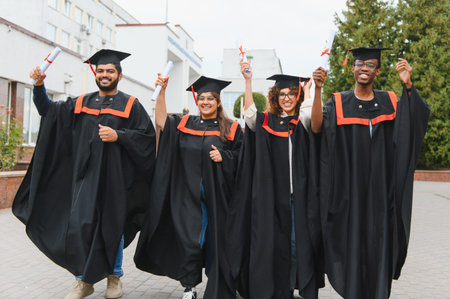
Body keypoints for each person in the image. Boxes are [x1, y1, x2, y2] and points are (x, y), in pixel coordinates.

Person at [13, 49, 156, 299]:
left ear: (119, 75)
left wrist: (119, 136)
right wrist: (38, 86)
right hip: (84, 178)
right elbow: (48, 112)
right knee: (80, 225)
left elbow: (147, 138)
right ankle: (83, 280)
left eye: (110, 71)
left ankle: (114, 278)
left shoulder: (131, 105)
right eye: (100, 70)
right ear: (95, 73)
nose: (104, 74)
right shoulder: (81, 103)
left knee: (113, 227)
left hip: (116, 180)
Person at [312, 47, 430, 299]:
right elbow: (317, 127)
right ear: (352, 68)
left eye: (370, 64)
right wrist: (318, 90)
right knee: (352, 246)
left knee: (380, 246)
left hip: (381, 193)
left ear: (377, 70)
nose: (364, 68)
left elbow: (412, 123)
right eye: (359, 64)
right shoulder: (339, 101)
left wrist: (408, 87)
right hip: (350, 194)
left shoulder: (389, 100)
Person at [134, 75, 243, 299]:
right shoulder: (184, 123)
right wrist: (162, 92)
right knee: (192, 241)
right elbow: (162, 121)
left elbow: (243, 158)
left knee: (215, 243)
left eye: (210, 98)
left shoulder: (231, 128)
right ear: (196, 101)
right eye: (201, 98)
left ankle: (218, 285)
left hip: (218, 198)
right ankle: (190, 286)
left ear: (218, 102)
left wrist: (225, 157)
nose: (205, 102)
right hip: (186, 197)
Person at [227, 61, 324, 299]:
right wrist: (248, 81)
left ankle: (290, 287)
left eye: (292, 93)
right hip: (271, 199)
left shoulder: (302, 121)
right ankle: (278, 290)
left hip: (297, 198)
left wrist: (311, 90)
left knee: (294, 246)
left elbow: (312, 115)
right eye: (282, 94)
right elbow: (249, 116)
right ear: (275, 96)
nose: (287, 98)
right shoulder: (266, 122)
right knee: (273, 247)